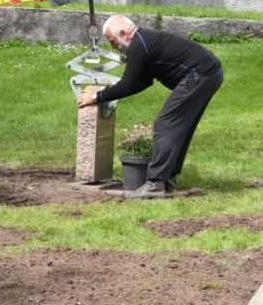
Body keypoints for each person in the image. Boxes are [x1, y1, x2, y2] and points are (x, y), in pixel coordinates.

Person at [76, 15, 223, 199]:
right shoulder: (143, 42)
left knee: (165, 124)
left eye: (112, 41)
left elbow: (128, 84)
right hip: (209, 73)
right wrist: (106, 96)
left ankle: (155, 184)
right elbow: (142, 82)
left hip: (199, 74)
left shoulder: (138, 46)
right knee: (180, 126)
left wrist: (96, 97)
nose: (113, 46)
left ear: (123, 33)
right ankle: (167, 178)